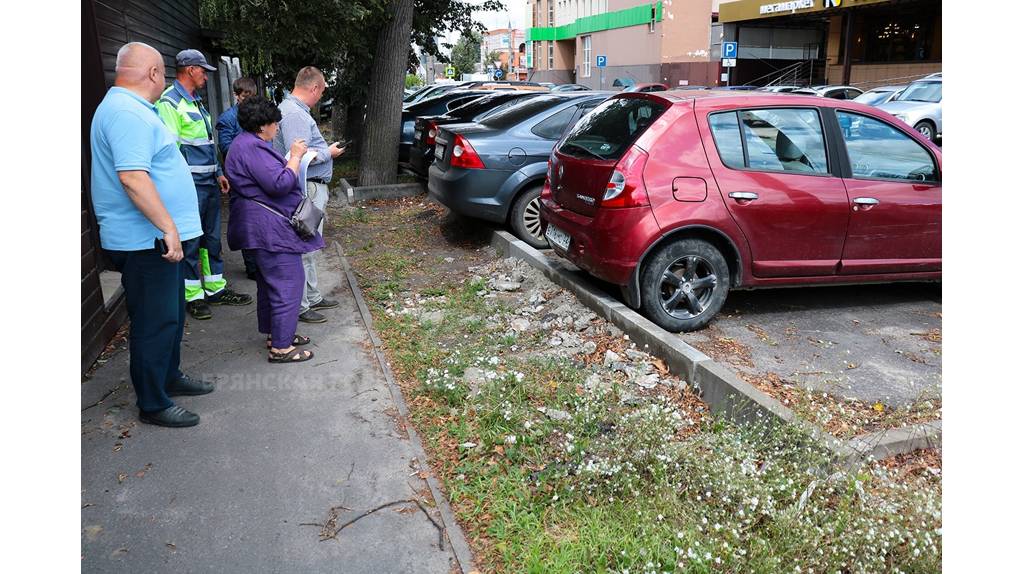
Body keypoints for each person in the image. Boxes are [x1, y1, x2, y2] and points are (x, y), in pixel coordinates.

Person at [90, 42, 215, 427]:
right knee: (154, 322)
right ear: (154, 74)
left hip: (156, 240)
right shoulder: (127, 113)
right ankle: (153, 403)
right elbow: (132, 177)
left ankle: (169, 377)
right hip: (147, 242)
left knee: (171, 315)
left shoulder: (132, 109)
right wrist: (169, 227)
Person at [225, 97, 326, 363]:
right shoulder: (252, 148)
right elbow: (279, 183)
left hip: (262, 226)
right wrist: (294, 158)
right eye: (274, 123)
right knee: (288, 283)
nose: (278, 128)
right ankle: (281, 348)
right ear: (262, 126)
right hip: (269, 229)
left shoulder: (245, 144)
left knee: (271, 285)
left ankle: (278, 333)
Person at [157, 49, 253, 320]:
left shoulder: (196, 101)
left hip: (208, 183)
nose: (206, 77)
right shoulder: (170, 103)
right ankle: (193, 296)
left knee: (211, 239)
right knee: (190, 241)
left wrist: (219, 172)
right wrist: (180, 186)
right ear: (189, 69)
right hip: (189, 187)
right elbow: (170, 152)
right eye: (203, 71)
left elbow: (207, 143)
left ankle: (215, 288)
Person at [274, 66, 345, 324]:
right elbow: (299, 157)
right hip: (309, 187)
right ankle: (302, 305)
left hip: (312, 186)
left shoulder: (293, 111)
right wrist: (329, 153)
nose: (321, 96)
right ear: (314, 88)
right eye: (322, 90)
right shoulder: (295, 115)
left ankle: (312, 297)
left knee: (310, 244)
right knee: (303, 245)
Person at [216, 77, 260, 280]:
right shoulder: (227, 119)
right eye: (244, 97)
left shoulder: (256, 115)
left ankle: (260, 263)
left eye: (251, 97)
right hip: (240, 179)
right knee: (246, 222)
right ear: (237, 95)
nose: (247, 101)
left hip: (259, 177)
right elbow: (225, 147)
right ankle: (252, 267)